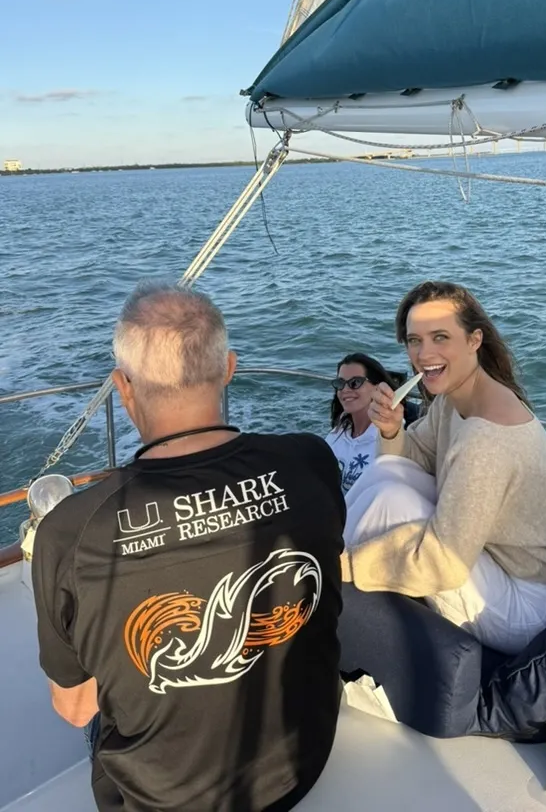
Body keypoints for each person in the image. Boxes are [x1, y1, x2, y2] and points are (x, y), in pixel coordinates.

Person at [31, 282, 344, 812]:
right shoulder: (310, 462)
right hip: (301, 764)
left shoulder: (70, 531)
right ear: (228, 368)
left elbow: (76, 708)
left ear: (123, 387)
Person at [342, 280, 546, 656]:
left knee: (394, 501)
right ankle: (316, 567)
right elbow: (411, 459)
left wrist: (347, 565)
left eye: (440, 337)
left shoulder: (486, 438)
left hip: (530, 606)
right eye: (414, 340)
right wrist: (391, 429)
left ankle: (315, 582)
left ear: (474, 340)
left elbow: (443, 566)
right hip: (494, 561)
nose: (424, 354)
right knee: (389, 476)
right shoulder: (455, 399)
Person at [325, 353, 398, 494]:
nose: (345, 390)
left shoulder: (390, 439)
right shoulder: (337, 433)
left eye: (355, 383)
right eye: (340, 383)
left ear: (378, 388)